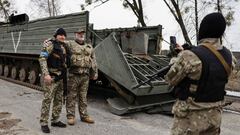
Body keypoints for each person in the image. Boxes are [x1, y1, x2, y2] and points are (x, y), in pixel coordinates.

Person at [165, 12, 236, 135]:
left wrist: (177, 57)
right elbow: (211, 65)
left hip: (190, 120)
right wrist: (187, 52)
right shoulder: (229, 56)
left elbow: (170, 79)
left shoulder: (188, 56)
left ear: (203, 30)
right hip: (214, 118)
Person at [39, 28, 71, 133]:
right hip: (51, 78)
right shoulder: (50, 45)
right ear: (56, 35)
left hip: (61, 78)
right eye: (60, 35)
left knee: (59, 100)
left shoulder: (65, 46)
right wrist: (46, 74)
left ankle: (55, 120)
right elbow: (42, 59)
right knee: (47, 100)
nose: (62, 36)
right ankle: (44, 123)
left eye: (64, 35)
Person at [66, 28, 98, 125]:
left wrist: (95, 73)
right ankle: (71, 116)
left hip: (85, 76)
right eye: (79, 33)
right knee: (71, 96)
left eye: (82, 33)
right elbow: (59, 42)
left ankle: (84, 116)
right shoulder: (70, 44)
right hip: (73, 75)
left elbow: (94, 60)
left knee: (83, 97)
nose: (81, 35)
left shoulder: (89, 47)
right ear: (75, 34)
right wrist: (49, 41)